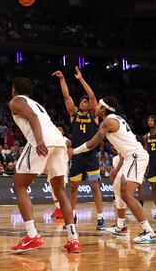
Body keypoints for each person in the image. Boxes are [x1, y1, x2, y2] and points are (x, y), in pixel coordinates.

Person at [72, 97, 156, 244]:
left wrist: (73, 152)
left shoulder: (107, 122)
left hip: (136, 157)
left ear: (104, 109)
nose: (96, 107)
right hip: (129, 157)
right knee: (117, 187)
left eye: (98, 105)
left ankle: (149, 232)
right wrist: (117, 169)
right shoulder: (115, 119)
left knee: (127, 194)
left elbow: (93, 143)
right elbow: (122, 148)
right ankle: (121, 226)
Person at [9, 77, 81, 253]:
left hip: (43, 140)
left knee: (19, 185)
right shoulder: (35, 102)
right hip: (59, 142)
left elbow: (32, 118)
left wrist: (39, 140)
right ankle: (73, 239)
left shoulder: (16, 101)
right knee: (60, 191)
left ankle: (32, 236)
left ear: (14, 89)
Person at [52, 67, 105, 230]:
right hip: (77, 155)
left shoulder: (93, 115)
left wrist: (80, 79)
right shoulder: (73, 114)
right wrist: (62, 79)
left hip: (91, 155)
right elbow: (66, 96)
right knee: (73, 187)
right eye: (82, 101)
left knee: (94, 186)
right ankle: (72, 216)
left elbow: (92, 95)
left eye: (86, 102)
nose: (84, 102)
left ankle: (101, 218)